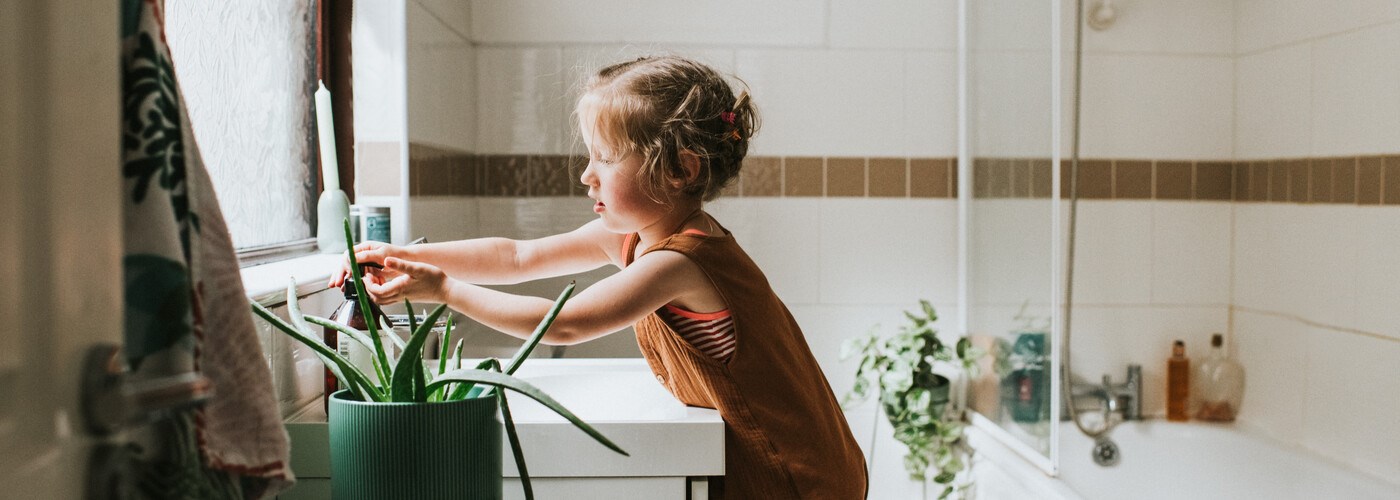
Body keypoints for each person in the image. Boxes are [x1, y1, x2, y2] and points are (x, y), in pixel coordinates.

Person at [329, 55, 867, 499]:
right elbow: (517, 256)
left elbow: (562, 325)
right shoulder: (636, 237)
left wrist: (443, 291)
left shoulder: (681, 262)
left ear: (681, 170)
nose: (586, 174)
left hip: (796, 475)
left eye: (605, 158)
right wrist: (400, 254)